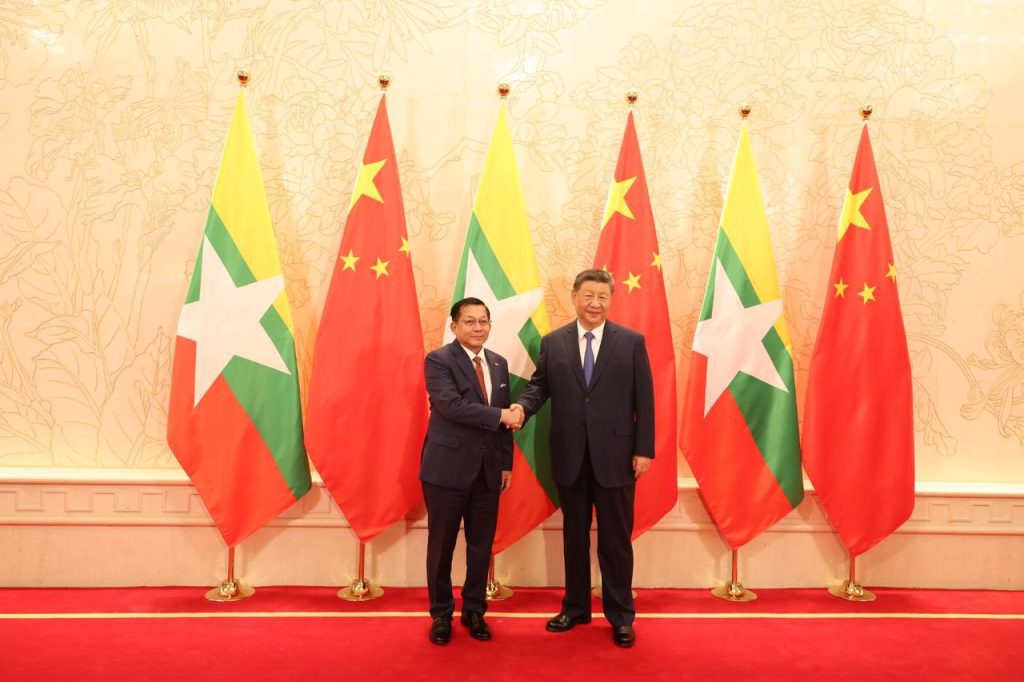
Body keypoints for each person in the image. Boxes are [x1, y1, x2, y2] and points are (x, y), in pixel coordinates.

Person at [513, 269, 654, 648]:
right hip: (570, 455)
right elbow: (539, 387)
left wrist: (644, 449)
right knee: (574, 537)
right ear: (574, 296)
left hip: (617, 457)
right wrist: (522, 408)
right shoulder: (553, 342)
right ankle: (575, 608)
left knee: (616, 540)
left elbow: (645, 399)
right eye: (588, 295)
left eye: (602, 297)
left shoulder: (631, 342)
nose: (595, 303)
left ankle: (621, 616)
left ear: (610, 300)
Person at [420, 297, 521, 645]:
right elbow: (452, 406)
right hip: (446, 471)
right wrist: (501, 415)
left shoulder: (498, 363)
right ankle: (441, 614)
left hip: (488, 471)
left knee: (481, 546)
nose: (478, 328)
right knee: (441, 547)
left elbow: (504, 422)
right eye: (470, 321)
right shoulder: (438, 360)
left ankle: (475, 610)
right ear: (454, 326)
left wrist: (505, 463)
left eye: (483, 321)